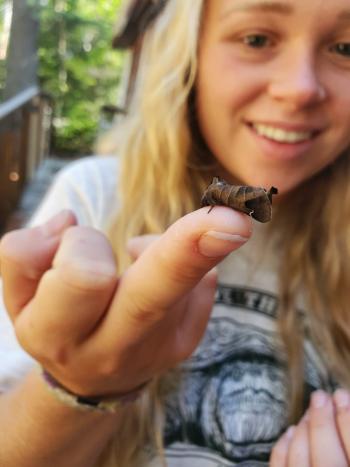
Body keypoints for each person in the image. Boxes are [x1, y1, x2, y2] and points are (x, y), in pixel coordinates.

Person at [0, 0, 350, 465]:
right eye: (256, 39)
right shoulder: (96, 195)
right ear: (189, 55)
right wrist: (80, 385)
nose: (299, 89)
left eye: (346, 47)